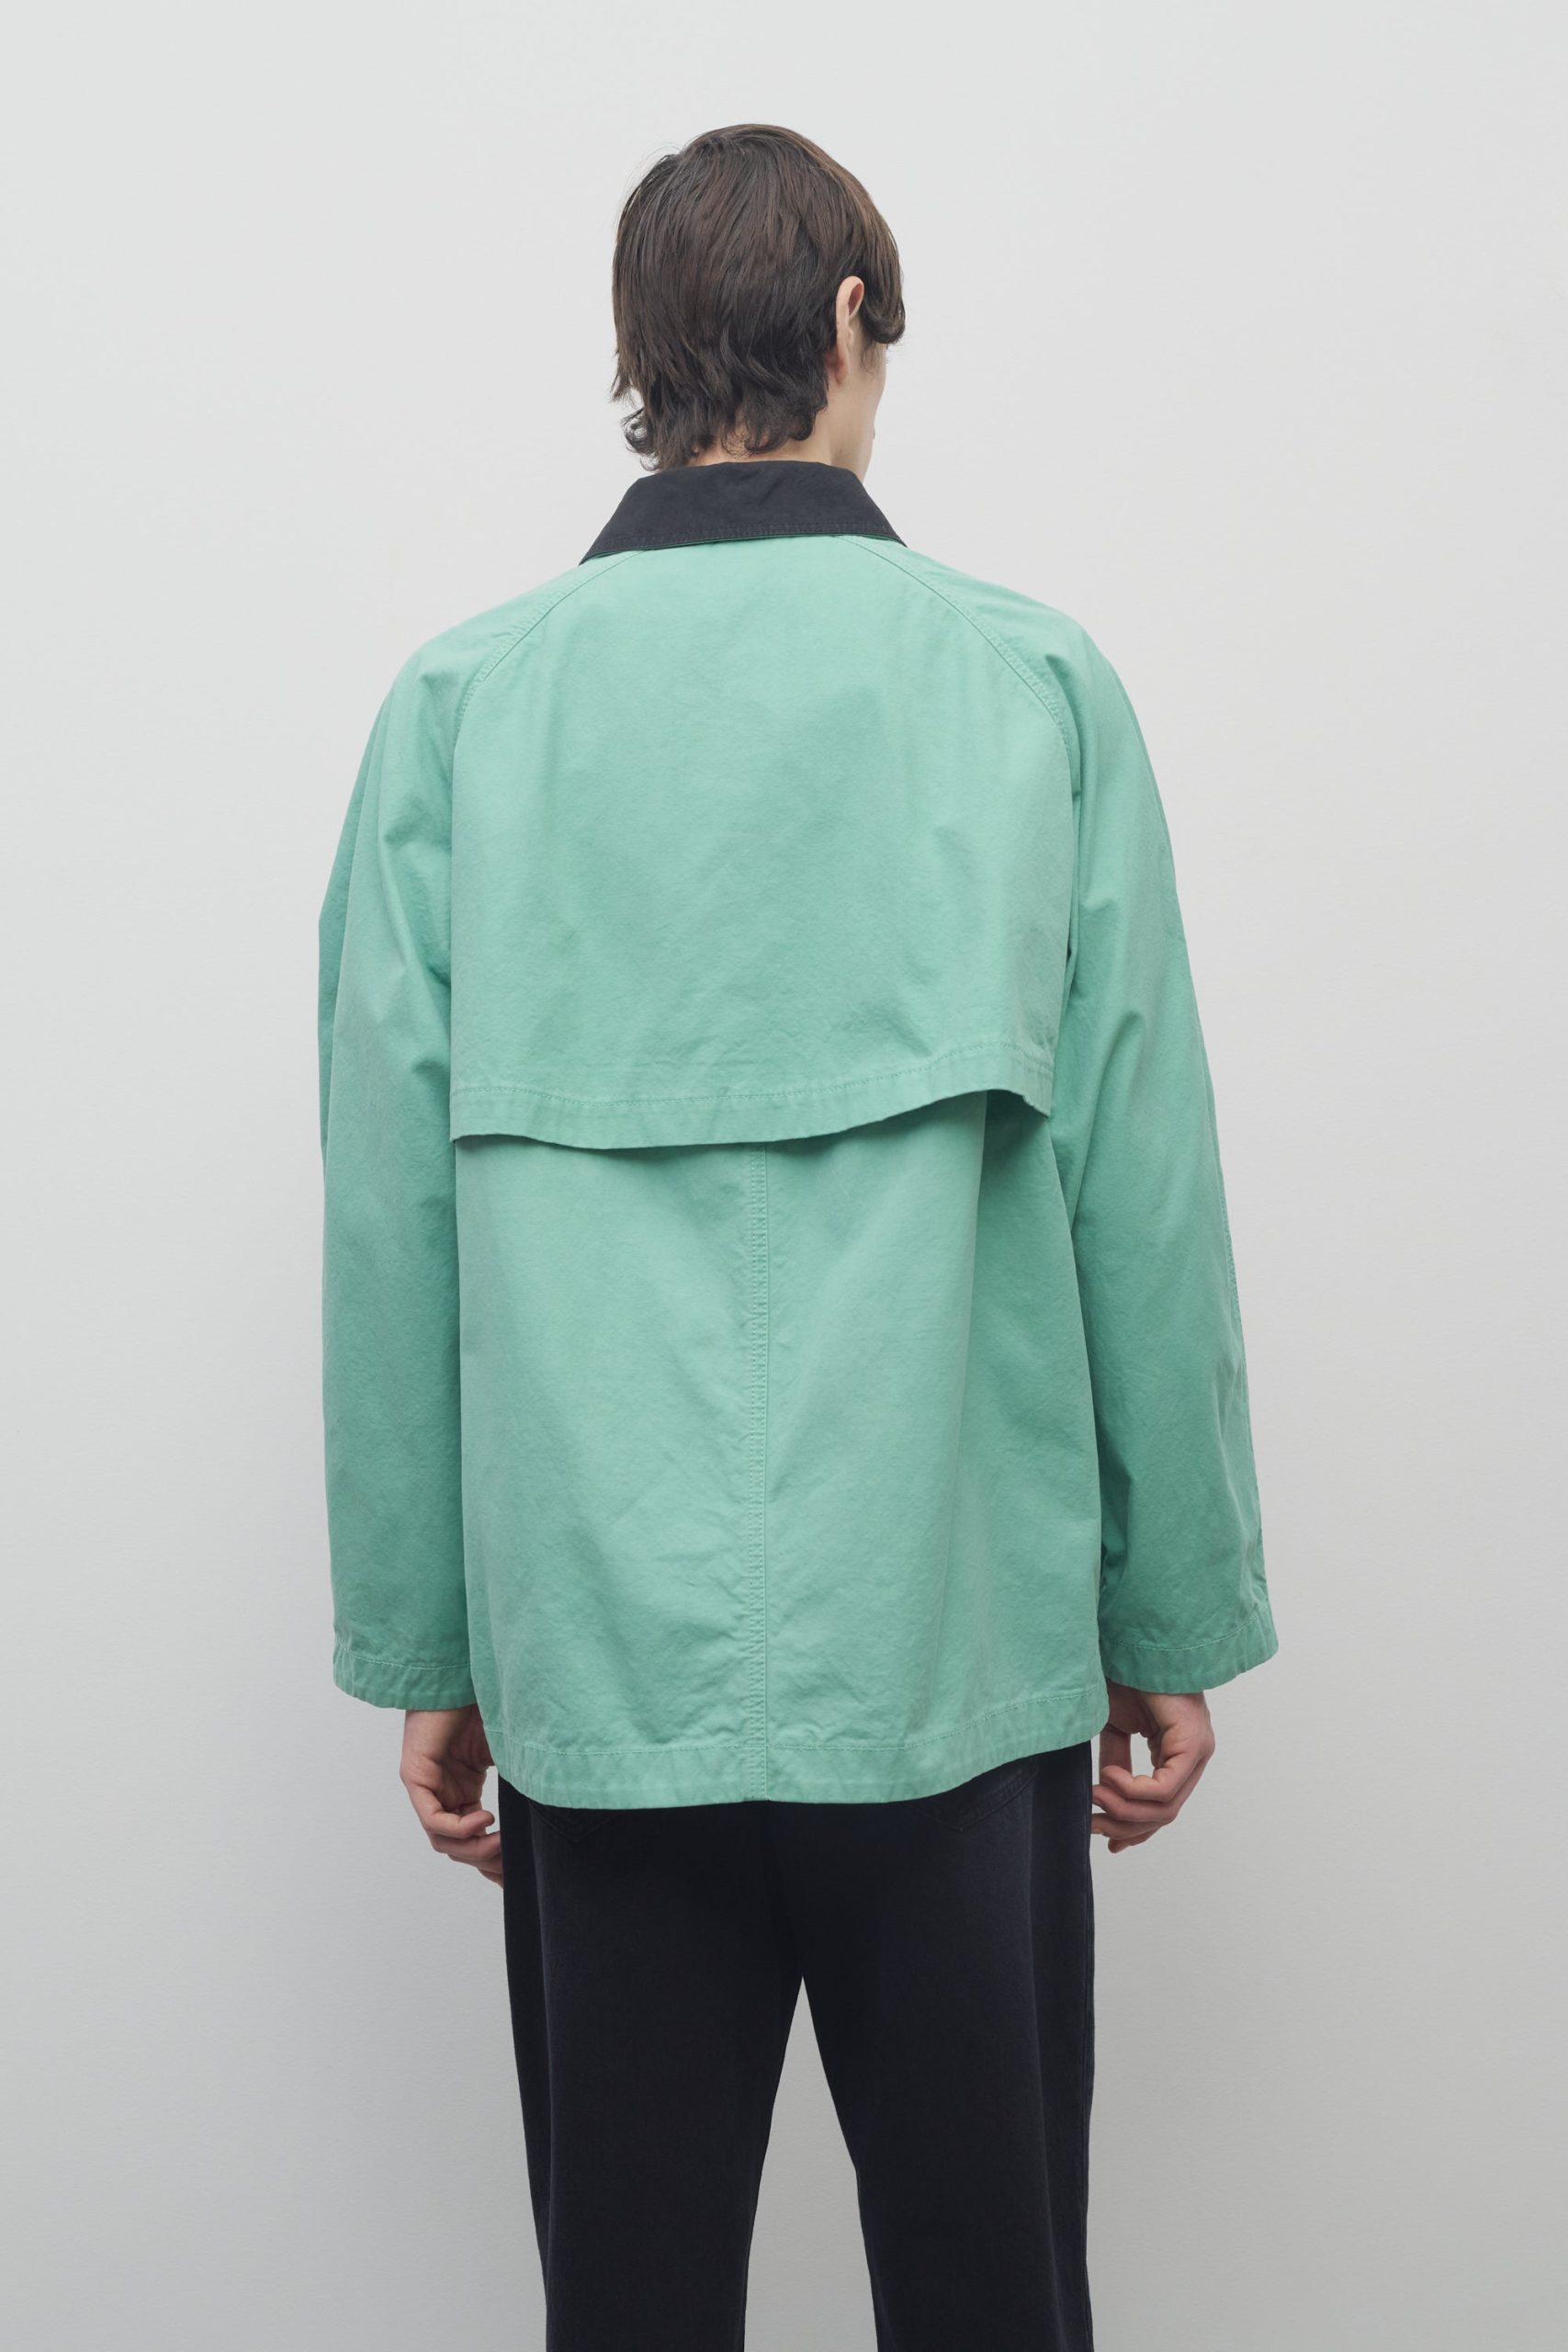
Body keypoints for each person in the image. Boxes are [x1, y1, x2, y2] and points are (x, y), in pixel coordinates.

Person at [317, 122, 1277, 2351]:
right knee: (992, 2296)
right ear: (850, 324)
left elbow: (388, 1219)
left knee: (629, 2307)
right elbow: (1141, 1172)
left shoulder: (459, 712)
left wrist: (432, 1635)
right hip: (954, 1652)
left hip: (596, 1664)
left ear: (639, 357)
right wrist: (1168, 1602)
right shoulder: (1030, 686)